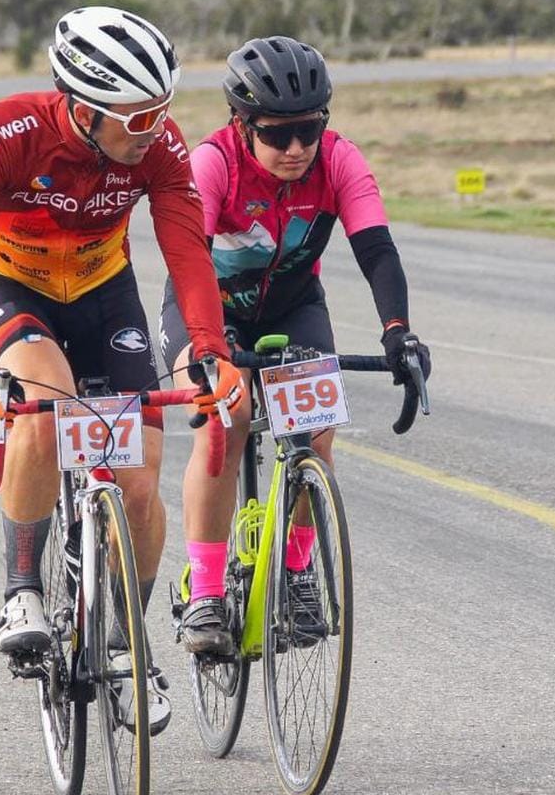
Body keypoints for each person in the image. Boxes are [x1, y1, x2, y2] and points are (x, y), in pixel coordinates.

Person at [0, 6, 243, 733]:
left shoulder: (157, 145)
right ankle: (21, 590)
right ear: (83, 105)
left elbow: (188, 251)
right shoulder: (5, 134)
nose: (155, 130)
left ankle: (127, 646)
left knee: (139, 484)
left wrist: (208, 348)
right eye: (136, 118)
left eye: (162, 112)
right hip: (15, 290)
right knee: (45, 416)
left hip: (105, 294)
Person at [159, 35, 431, 654]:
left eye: (308, 130)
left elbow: (377, 251)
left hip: (292, 303)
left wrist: (397, 331)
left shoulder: (339, 161)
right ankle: (203, 592)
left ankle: (300, 573)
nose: (296, 149)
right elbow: (189, 258)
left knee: (316, 429)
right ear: (241, 122)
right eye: (278, 135)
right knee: (226, 418)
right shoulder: (213, 163)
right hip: (206, 306)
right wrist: (209, 342)